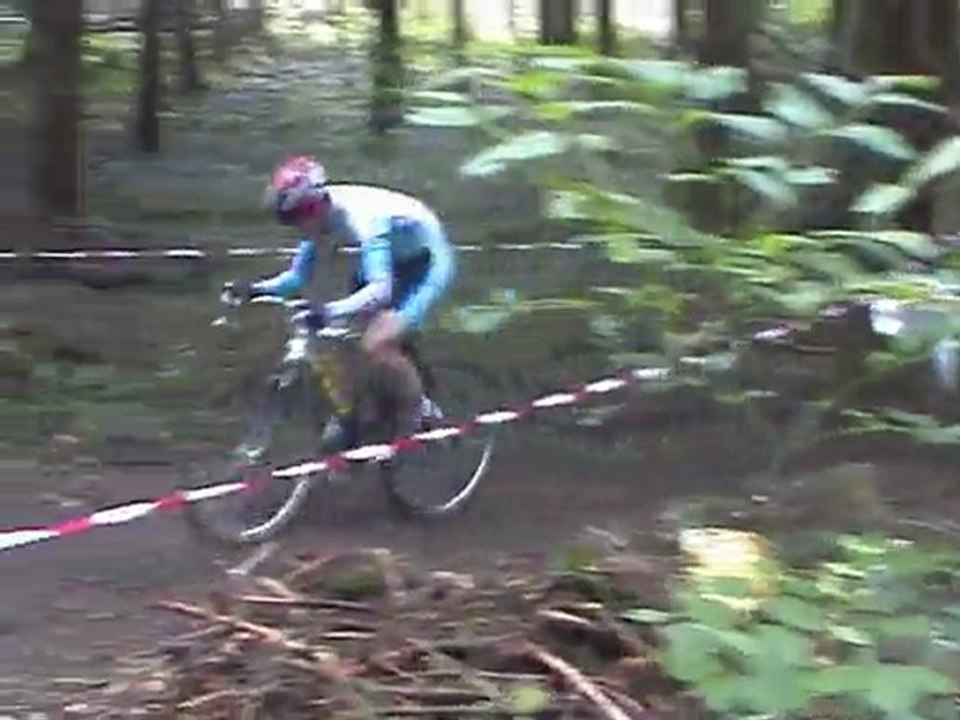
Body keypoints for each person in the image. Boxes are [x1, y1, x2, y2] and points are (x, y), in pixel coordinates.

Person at [225, 155, 456, 448]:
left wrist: (329, 309)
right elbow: (296, 278)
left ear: (317, 204)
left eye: (299, 215)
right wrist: (254, 290)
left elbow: (380, 289)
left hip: (426, 262)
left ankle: (421, 411)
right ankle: (374, 402)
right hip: (393, 261)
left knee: (376, 342)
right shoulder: (318, 218)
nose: (298, 225)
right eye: (288, 219)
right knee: (345, 336)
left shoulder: (363, 219)